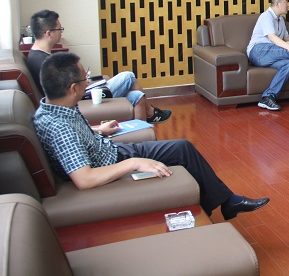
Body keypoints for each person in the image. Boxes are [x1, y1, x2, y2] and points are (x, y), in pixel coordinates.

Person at [33, 52, 269, 220]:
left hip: (110, 150)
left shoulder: (54, 108)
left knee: (183, 148)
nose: (88, 82)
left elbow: (73, 143)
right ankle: (212, 210)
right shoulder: (59, 127)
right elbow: (84, 179)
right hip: (114, 160)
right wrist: (134, 163)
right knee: (182, 150)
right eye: (85, 78)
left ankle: (222, 204)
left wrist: (97, 130)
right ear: (73, 88)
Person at [26, 10, 171, 124]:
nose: (61, 32)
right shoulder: (45, 63)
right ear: (49, 33)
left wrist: (82, 78)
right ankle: (151, 113)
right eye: (59, 29)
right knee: (128, 76)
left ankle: (143, 136)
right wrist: (83, 81)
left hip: (79, 91)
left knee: (137, 96)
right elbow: (65, 92)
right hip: (79, 97)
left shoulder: (36, 55)